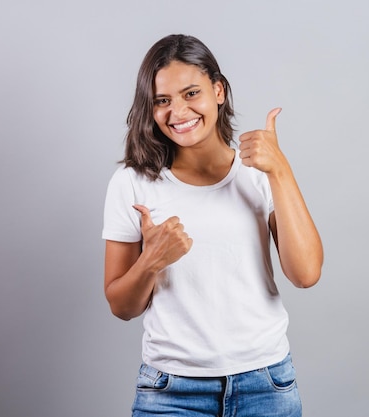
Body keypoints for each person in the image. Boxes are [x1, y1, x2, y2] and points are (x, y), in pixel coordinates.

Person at [102, 34, 323, 417]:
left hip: (265, 385)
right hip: (171, 392)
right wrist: (151, 260)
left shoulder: (259, 174)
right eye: (162, 101)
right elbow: (121, 306)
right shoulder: (133, 182)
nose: (178, 112)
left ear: (218, 90)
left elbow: (305, 274)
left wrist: (281, 170)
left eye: (191, 94)